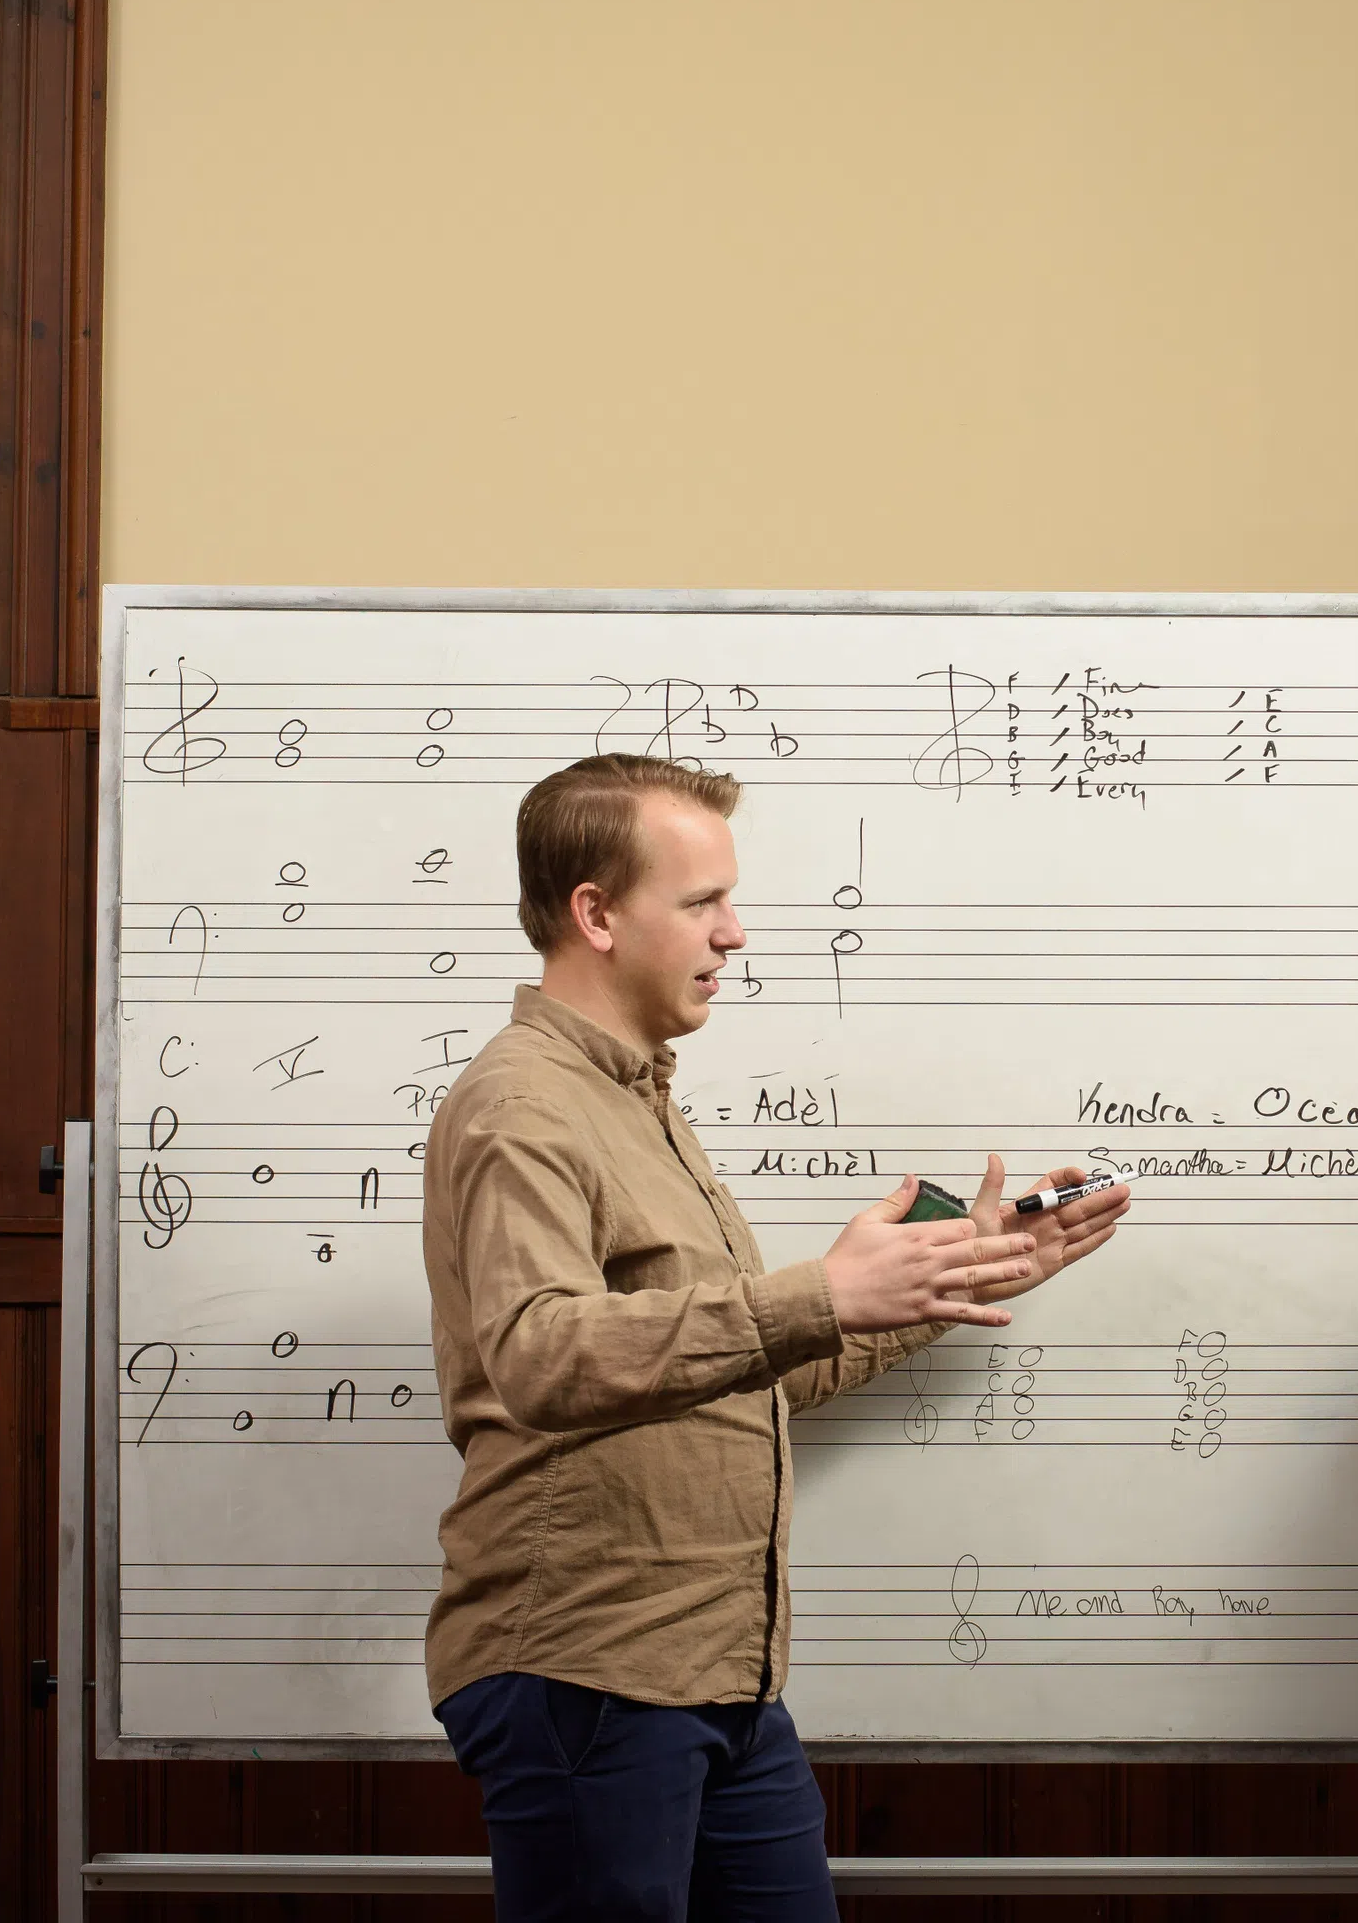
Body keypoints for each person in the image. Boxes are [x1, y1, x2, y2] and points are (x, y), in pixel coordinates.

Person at [422, 752, 1130, 1923]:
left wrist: (965, 1265)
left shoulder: (641, 1101)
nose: (735, 931)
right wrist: (818, 1291)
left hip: (718, 1672)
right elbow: (542, 1353)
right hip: (588, 1671)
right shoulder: (523, 1104)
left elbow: (739, 1373)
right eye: (702, 902)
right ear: (595, 913)